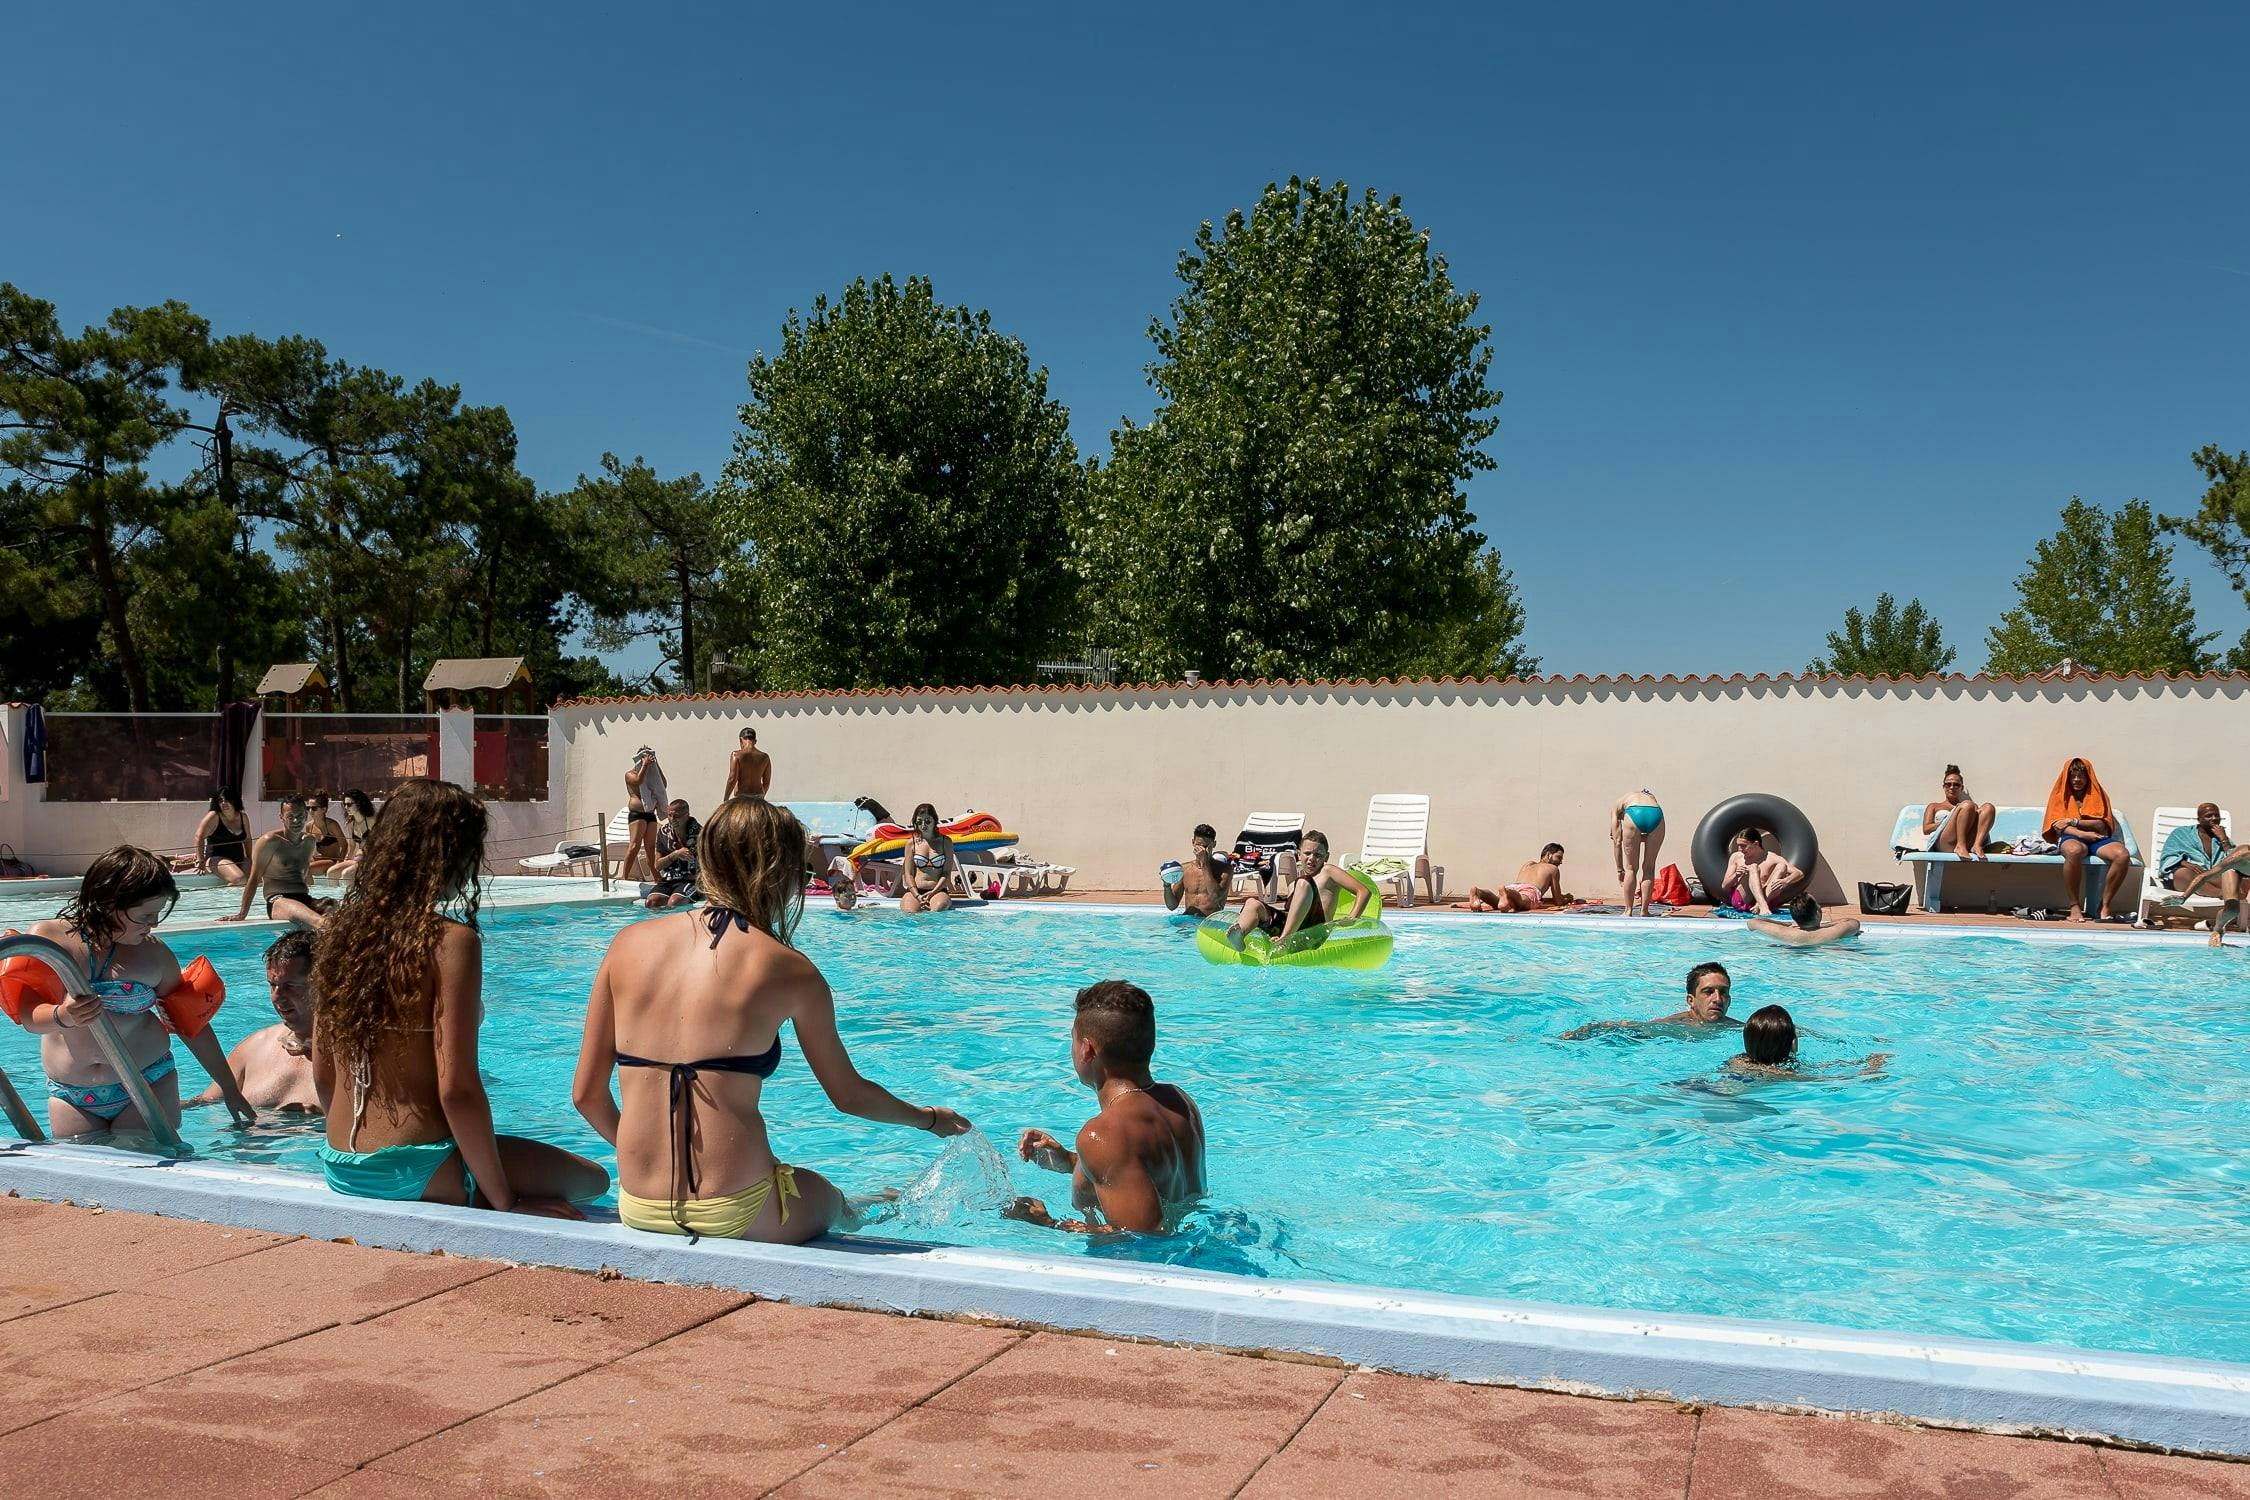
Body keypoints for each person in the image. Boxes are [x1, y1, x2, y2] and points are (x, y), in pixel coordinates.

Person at [573, 797, 970, 1243]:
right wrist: (929, 1119)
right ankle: (873, 1202)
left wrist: (643, 1161)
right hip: (741, 1209)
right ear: (780, 872)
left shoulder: (626, 945)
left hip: (639, 1203)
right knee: (839, 1202)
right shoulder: (789, 969)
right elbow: (849, 1096)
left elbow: (587, 1095)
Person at [312, 778, 606, 1215]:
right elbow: (458, 1090)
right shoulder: (450, 942)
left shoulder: (340, 934)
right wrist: (505, 1201)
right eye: (472, 848)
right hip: (418, 1166)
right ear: (445, 855)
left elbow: (323, 1074)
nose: (474, 863)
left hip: (341, 1164)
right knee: (592, 1180)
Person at [16, 846, 255, 1137]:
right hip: (74, 1095)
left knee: (144, 1162)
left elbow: (192, 1025)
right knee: (81, 1175)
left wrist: (229, 1087)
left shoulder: (154, 955)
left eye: (157, 915)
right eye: (144, 916)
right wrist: (61, 1015)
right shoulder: (48, 940)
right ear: (108, 903)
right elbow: (27, 1015)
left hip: (148, 1082)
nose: (152, 925)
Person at [1006, 980, 1207, 1235]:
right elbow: (1152, 1181)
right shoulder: (1180, 1102)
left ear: (1087, 1051)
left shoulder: (1103, 1135)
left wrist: (1049, 1223)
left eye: (1073, 1040)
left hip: (1155, 1268)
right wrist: (1070, 1161)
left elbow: (1145, 1242)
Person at [188, 929, 321, 1113]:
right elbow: (204, 1104)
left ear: (323, 984)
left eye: (290, 986)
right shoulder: (254, 1047)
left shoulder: (351, 1056)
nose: (276, 997)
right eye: (272, 985)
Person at [1225, 830, 1375, 951]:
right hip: (1292, 928)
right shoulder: (1298, 881)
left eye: (1318, 855)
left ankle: (1284, 940)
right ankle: (1240, 934)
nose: (1311, 859)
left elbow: (1364, 891)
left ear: (1326, 857)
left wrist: (1351, 919)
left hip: (1313, 930)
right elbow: (1292, 912)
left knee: (1303, 883)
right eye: (1307, 853)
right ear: (1299, 854)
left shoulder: (1328, 871)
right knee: (1252, 902)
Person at [221, 795, 336, 929]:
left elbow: (304, 874)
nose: (295, 820)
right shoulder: (269, 841)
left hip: (304, 898)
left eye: (300, 816)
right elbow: (254, 877)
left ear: (306, 815)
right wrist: (242, 914)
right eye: (290, 816)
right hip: (279, 900)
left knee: (333, 906)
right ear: (281, 817)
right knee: (322, 923)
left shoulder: (309, 842)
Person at [2045, 756, 2128, 923]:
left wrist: (2074, 821)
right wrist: (2083, 833)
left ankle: (2104, 905)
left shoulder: (2098, 794)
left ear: (2088, 777)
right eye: (2073, 776)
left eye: (2081, 776)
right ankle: (2074, 906)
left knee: (2122, 855)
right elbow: (2058, 826)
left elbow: (2100, 824)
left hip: (2097, 838)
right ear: (2067, 777)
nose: (2077, 780)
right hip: (2072, 837)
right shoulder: (2059, 795)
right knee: (2074, 851)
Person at [1563, 960, 1735, 1040]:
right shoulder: (1671, 1025)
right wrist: (1584, 1032)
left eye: (1723, 992)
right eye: (1708, 992)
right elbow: (1623, 1027)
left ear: (1729, 1000)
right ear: (1691, 1000)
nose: (1717, 999)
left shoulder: (1740, 1029)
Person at [2164, 803, 2250, 946]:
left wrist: (2223, 839)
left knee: (2233, 884)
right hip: (2189, 875)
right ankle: (2220, 916)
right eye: (2209, 815)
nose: (2214, 818)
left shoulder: (2222, 838)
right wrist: (2183, 895)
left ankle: (2228, 894)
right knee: (2186, 874)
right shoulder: (2182, 834)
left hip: (2216, 874)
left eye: (2216, 815)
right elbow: (2169, 856)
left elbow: (2228, 855)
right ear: (2199, 819)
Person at [1724, 1005, 1889, 1080]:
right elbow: (1832, 1077)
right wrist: (1870, 1069)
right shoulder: (1783, 1074)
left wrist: (1859, 1062)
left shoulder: (1738, 1060)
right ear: (1793, 1043)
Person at [1719, 828, 1805, 916]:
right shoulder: (1736, 857)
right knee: (1753, 867)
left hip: (1766, 901)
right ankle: (1762, 906)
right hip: (1743, 901)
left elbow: (1799, 873)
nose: (1740, 849)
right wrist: (1736, 875)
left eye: (1743, 846)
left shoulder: (1772, 858)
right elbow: (1724, 886)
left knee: (1782, 866)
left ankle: (1761, 905)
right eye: (1738, 845)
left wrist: (1786, 881)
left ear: (1756, 844)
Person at [1610, 791, 1666, 917]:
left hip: (1633, 812)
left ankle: (1628, 911)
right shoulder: (1651, 798)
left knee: (1630, 868)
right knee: (1649, 868)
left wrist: (1620, 870)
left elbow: (1617, 842)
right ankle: (1644, 911)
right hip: (1656, 814)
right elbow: (1644, 837)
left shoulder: (1618, 803)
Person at [1922, 765, 1996, 860]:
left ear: (1961, 787)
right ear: (1943, 787)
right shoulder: (1934, 806)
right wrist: (1948, 821)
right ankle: (1959, 845)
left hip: (1968, 842)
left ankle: (1977, 846)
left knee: (1988, 807)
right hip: (1945, 843)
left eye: (1956, 784)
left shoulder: (1970, 808)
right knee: (1967, 805)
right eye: (1948, 784)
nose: (1952, 787)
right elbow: (1926, 829)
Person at [1470, 844, 1571, 911]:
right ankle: (1506, 892)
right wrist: (1567, 899)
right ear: (1549, 855)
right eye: (1559, 857)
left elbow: (1521, 886)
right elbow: (1558, 901)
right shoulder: (1553, 868)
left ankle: (1478, 892)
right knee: (1522, 903)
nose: (1560, 862)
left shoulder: (1528, 864)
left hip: (1514, 887)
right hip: (1529, 891)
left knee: (1498, 902)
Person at [900, 803, 962, 914]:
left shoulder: (945, 842)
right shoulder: (911, 843)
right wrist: (916, 895)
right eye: (919, 822)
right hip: (915, 891)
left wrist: (933, 892)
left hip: (937, 890)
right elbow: (908, 874)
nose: (923, 825)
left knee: (938, 909)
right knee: (909, 912)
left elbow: (946, 873)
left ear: (935, 821)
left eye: (927, 821)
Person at [1162, 824, 1233, 919]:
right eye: (1198, 845)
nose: (1201, 850)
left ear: (1214, 844)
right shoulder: (1184, 869)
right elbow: (1172, 906)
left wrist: (1204, 863)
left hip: (1209, 923)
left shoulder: (1225, 870)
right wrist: (1166, 886)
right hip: (1188, 921)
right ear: (1193, 842)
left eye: (1205, 846)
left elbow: (1216, 897)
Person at [644, 799, 703, 910]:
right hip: (669, 879)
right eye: (670, 816)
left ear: (687, 815)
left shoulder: (701, 834)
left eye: (677, 816)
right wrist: (675, 854)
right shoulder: (664, 833)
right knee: (651, 902)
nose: (672, 820)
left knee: (674, 902)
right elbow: (657, 865)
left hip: (692, 880)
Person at [622, 747, 668, 883]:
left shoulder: (651, 777)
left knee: (650, 847)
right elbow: (638, 781)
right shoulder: (630, 774)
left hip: (650, 814)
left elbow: (663, 784)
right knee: (634, 846)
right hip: (637, 814)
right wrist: (644, 765)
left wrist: (656, 766)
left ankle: (656, 875)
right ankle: (624, 876)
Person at [1748, 897, 1862, 947]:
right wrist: (1824, 925)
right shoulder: (1833, 932)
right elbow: (1854, 923)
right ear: (1817, 913)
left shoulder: (1784, 933)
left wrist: (1787, 925)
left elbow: (1753, 922)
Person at [193, 789, 252, 886]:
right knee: (239, 879)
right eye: (220, 800)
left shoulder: (243, 817)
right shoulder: (214, 816)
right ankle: (225, 900)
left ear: (234, 801)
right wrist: (200, 860)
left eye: (227, 800)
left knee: (252, 881)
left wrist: (249, 859)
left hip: (239, 858)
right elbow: (198, 836)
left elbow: (247, 839)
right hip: (217, 859)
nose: (224, 803)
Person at [330, 789, 377, 887]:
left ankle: (352, 900)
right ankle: (335, 897)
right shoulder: (350, 824)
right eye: (345, 805)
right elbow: (351, 846)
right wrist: (347, 860)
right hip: (358, 858)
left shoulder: (372, 820)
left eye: (349, 804)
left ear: (359, 804)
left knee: (346, 874)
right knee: (331, 872)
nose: (346, 807)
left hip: (372, 858)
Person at [724, 727, 772, 801]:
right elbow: (766, 783)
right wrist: (761, 796)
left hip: (741, 796)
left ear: (740, 740)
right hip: (758, 796)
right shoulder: (765, 757)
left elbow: (732, 779)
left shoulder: (736, 755)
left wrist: (726, 799)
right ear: (755, 741)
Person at [307, 795, 348, 876]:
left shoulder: (331, 825)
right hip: (317, 860)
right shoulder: (309, 826)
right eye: (308, 808)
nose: (310, 811)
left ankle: (308, 888)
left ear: (324, 809)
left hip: (331, 860)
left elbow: (344, 844)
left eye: (314, 808)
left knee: (307, 869)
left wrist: (339, 862)